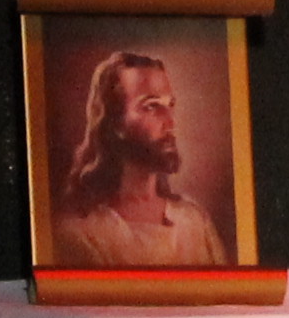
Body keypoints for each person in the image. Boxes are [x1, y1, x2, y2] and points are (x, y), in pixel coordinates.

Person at [51, 50, 230, 269]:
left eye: (170, 105)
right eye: (151, 106)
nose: (170, 123)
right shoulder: (82, 233)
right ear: (115, 122)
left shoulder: (194, 222)